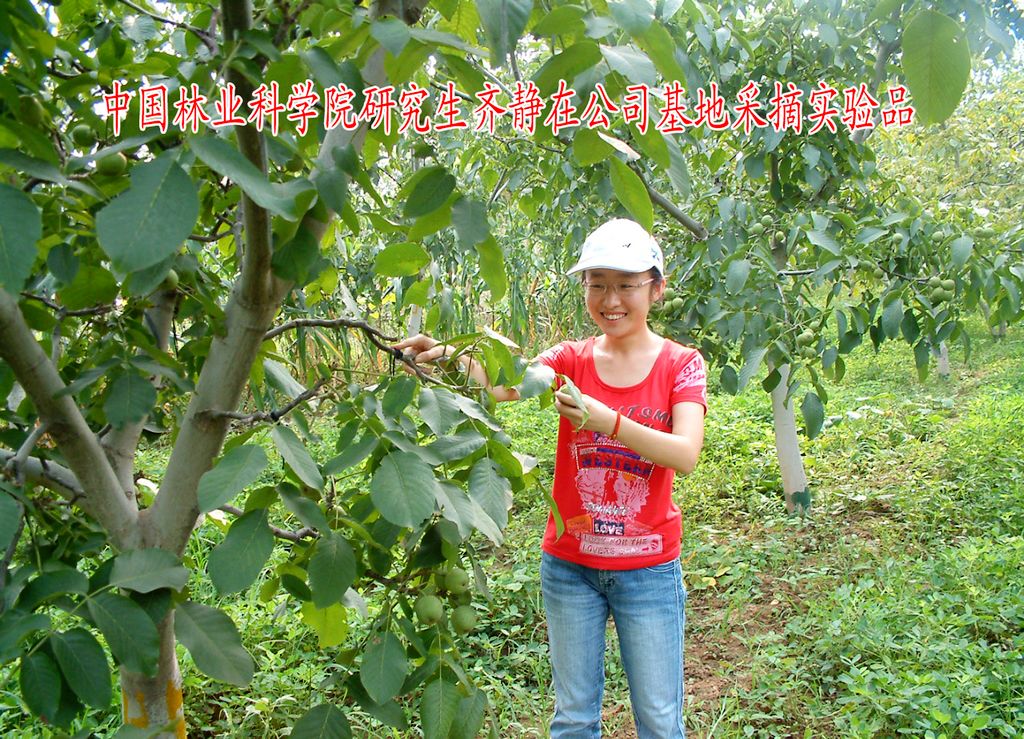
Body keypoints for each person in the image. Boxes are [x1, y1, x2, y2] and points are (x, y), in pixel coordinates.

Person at [394, 218, 707, 738]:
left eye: (626, 285)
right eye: (597, 284)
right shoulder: (569, 359)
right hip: (570, 567)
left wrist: (609, 422)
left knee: (657, 719)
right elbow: (505, 386)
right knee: (573, 718)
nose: (611, 300)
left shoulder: (681, 365)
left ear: (656, 287)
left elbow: (685, 453)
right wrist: (449, 356)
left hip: (648, 570)